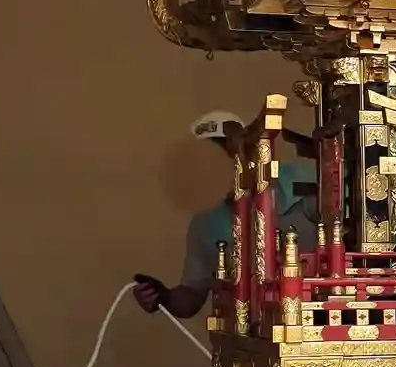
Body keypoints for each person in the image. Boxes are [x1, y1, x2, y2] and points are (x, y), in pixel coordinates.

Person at [134, 109, 318, 323]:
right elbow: (192, 297)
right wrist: (163, 297)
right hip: (257, 330)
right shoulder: (206, 224)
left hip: (326, 318)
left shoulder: (304, 178)